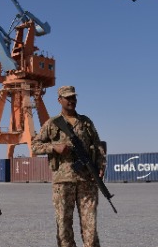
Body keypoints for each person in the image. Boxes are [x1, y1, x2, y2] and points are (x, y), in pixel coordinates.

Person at [31, 85, 107, 247]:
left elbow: (98, 145)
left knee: (90, 229)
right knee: (64, 229)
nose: (72, 100)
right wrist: (54, 147)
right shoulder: (52, 124)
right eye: (68, 97)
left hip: (87, 180)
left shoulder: (86, 122)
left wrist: (101, 165)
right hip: (63, 182)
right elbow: (35, 146)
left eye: (74, 97)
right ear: (60, 100)